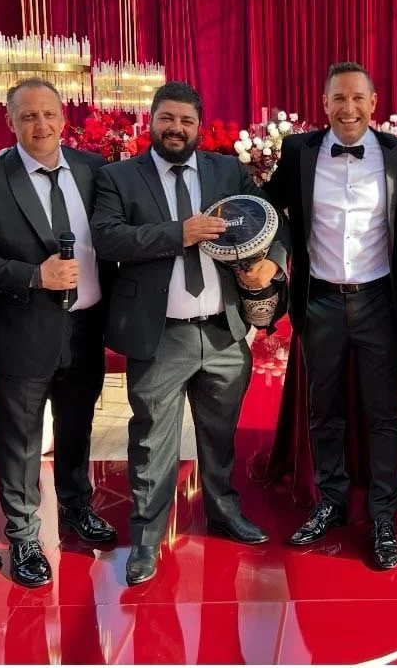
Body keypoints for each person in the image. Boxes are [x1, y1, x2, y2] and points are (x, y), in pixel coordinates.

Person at [91, 81, 289, 586]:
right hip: (159, 336)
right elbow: (108, 237)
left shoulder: (226, 170)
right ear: (152, 121)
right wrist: (180, 232)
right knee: (152, 439)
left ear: (199, 127)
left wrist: (270, 264)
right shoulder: (119, 177)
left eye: (186, 120)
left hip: (224, 330)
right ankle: (146, 536)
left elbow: (274, 222)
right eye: (167, 118)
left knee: (219, 436)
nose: (176, 128)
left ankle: (223, 512)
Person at [0, 77, 118, 589]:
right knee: (21, 442)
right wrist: (32, 275)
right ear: (10, 122)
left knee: (77, 428)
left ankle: (75, 507)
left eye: (48, 113)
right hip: (22, 331)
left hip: (85, 328)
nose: (40, 124)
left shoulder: (96, 172)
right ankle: (24, 535)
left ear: (63, 116)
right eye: (27, 116)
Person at [262, 61, 397, 570]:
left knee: (383, 414)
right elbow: (271, 211)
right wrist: (272, 254)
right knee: (323, 410)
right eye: (338, 98)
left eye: (357, 98)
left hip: (379, 299)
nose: (347, 108)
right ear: (324, 103)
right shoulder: (298, 151)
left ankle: (382, 514)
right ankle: (329, 501)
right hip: (321, 300)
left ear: (374, 103)